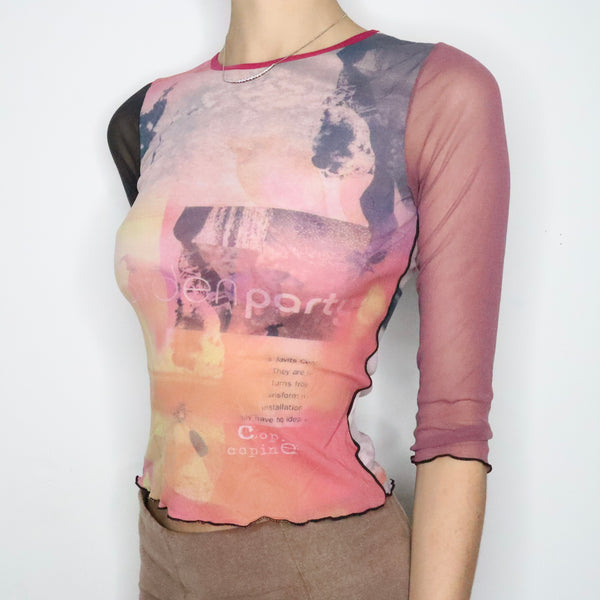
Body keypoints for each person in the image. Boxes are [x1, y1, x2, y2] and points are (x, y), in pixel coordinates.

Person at [106, 1, 510, 598]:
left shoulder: (432, 91)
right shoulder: (148, 115)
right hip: (163, 563)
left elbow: (455, 424)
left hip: (321, 568)